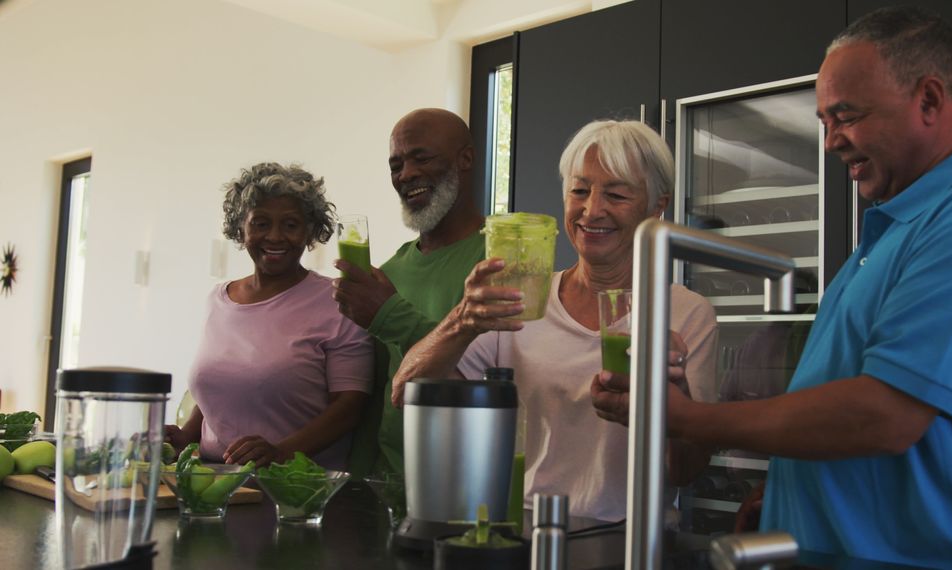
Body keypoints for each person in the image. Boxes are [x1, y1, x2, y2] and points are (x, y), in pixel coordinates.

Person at [592, 6, 952, 568]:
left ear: (928, 99)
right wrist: (794, 495)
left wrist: (681, 417)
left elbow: (885, 415)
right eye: (824, 121)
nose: (830, 143)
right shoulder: (906, 224)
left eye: (845, 116)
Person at [393, 120, 719, 522]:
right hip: (524, 528)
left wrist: (674, 397)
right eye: (579, 191)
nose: (591, 210)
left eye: (616, 194)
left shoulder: (685, 312)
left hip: (631, 541)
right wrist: (463, 319)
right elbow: (405, 393)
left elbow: (685, 471)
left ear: (657, 206)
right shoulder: (522, 297)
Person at [166, 162, 374, 470]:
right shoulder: (218, 299)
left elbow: (350, 407)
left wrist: (281, 453)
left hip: (298, 486)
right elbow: (222, 388)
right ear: (241, 228)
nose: (275, 237)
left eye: (290, 225)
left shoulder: (337, 302)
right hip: (215, 478)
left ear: (310, 231)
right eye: (260, 223)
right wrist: (186, 436)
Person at [332, 108, 486, 477]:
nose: (407, 174)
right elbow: (375, 401)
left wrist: (389, 315)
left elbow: (487, 382)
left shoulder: (501, 256)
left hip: (467, 487)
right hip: (388, 489)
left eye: (422, 158)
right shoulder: (388, 272)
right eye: (395, 165)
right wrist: (358, 484)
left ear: (465, 158)